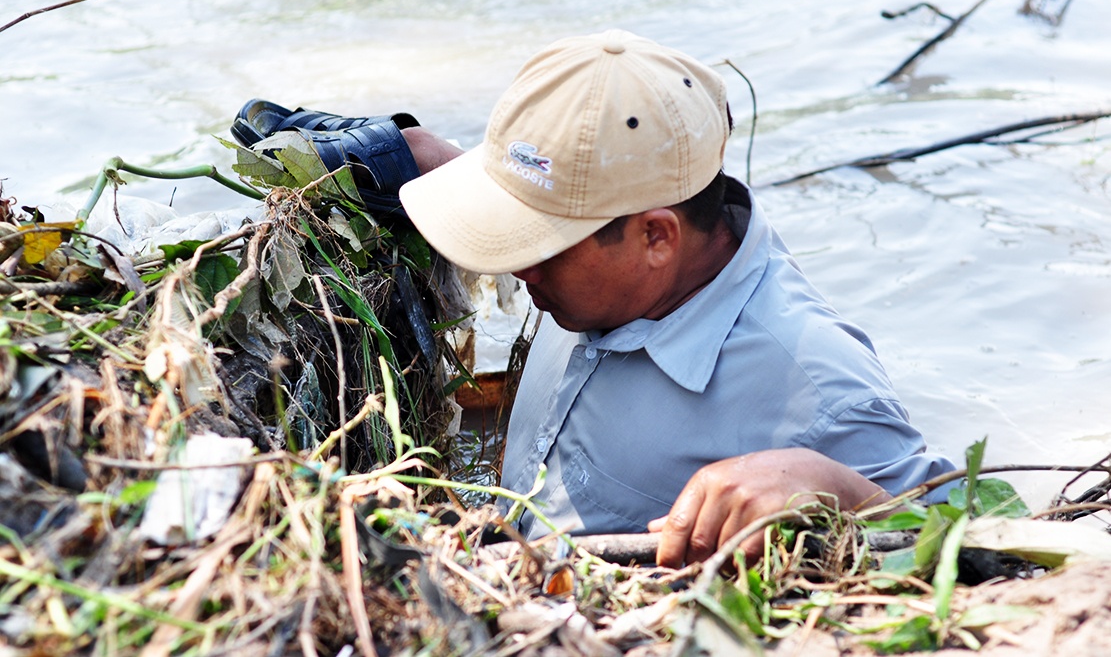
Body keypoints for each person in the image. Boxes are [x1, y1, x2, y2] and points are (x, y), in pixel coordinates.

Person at [235, 29, 956, 568]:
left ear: (654, 236)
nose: (520, 269)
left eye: (537, 243)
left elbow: (964, 535)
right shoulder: (610, 270)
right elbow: (560, 190)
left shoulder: (816, 388)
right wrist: (434, 166)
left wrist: (830, 484)